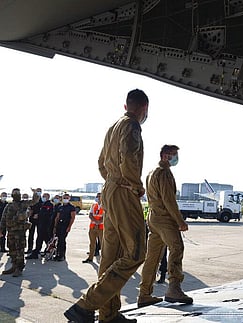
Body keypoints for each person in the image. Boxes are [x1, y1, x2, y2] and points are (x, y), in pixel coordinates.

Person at [65, 88, 149, 323]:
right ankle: (86, 305)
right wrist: (133, 185)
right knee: (136, 252)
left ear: (126, 106)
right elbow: (129, 157)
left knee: (111, 255)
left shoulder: (113, 127)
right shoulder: (132, 126)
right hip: (123, 191)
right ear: (143, 108)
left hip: (110, 190)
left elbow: (101, 162)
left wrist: (111, 181)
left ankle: (109, 314)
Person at [137, 144, 192, 308]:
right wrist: (180, 221)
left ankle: (144, 293)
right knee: (177, 248)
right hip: (164, 219)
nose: (176, 158)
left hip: (153, 218)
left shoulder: (151, 172)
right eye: (173, 155)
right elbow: (169, 200)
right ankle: (174, 288)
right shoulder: (164, 173)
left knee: (152, 257)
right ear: (165, 156)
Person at [0, 188, 40, 277]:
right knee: (12, 249)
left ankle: (19, 268)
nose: (16, 194)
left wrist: (35, 193)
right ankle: (14, 266)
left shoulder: (23, 204)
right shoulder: (9, 206)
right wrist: (1, 229)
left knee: (20, 250)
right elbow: (3, 218)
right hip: (10, 231)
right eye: (15, 193)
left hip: (20, 232)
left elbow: (34, 201)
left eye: (18, 193)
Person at [26, 192, 54, 259]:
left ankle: (49, 250)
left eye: (45, 196)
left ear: (48, 197)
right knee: (40, 238)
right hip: (40, 223)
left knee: (44, 238)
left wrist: (39, 215)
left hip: (45, 224)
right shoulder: (42, 204)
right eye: (43, 196)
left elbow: (47, 214)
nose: (43, 197)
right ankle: (37, 251)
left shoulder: (49, 204)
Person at [53, 193, 76, 261]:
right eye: (64, 198)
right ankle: (57, 254)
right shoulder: (60, 207)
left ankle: (62, 255)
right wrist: (55, 226)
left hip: (65, 225)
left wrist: (69, 227)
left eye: (67, 198)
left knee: (62, 240)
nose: (65, 199)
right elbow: (57, 217)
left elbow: (72, 218)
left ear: (69, 198)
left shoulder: (71, 207)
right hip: (59, 224)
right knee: (58, 240)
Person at [83, 192, 104, 263]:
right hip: (93, 227)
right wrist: (95, 221)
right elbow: (90, 214)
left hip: (101, 227)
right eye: (97, 196)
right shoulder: (94, 205)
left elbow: (106, 216)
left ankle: (104, 259)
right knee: (92, 243)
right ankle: (90, 257)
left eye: (99, 196)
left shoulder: (105, 205)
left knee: (103, 243)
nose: (98, 198)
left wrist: (99, 221)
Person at [26, 188, 42, 254]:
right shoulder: (33, 200)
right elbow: (30, 208)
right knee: (31, 234)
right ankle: (30, 248)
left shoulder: (42, 200)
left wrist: (38, 214)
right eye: (37, 191)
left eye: (39, 191)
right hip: (32, 219)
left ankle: (37, 249)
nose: (38, 192)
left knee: (39, 235)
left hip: (39, 220)